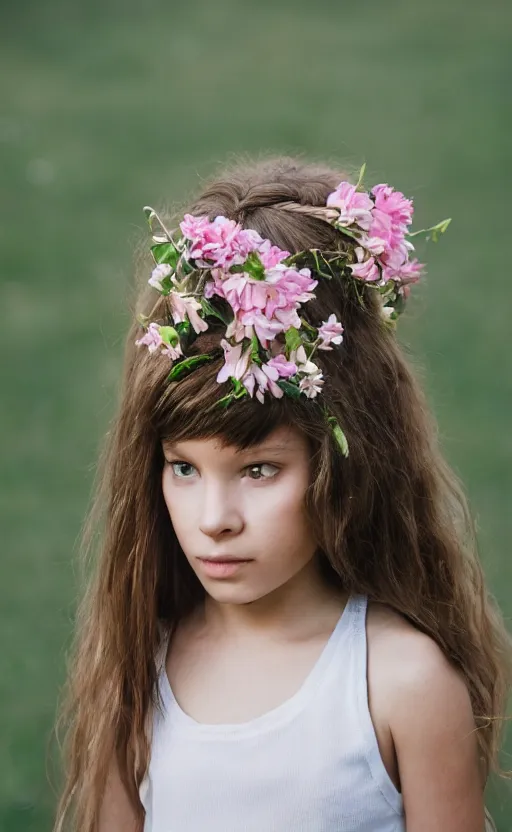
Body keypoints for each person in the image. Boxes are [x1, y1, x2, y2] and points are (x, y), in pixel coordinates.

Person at [54, 157, 510, 832]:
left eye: (259, 471)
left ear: (344, 465)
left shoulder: (402, 685)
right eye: (184, 469)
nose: (214, 521)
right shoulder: (135, 669)